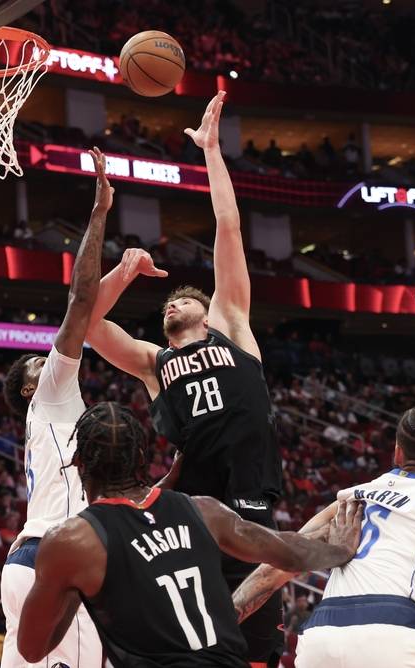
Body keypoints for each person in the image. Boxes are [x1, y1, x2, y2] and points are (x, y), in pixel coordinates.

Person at [85, 90, 285, 663]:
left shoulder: (232, 326)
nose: (171, 304)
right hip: (189, 518)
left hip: (249, 507)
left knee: (259, 652)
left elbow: (228, 225)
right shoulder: (154, 363)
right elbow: (88, 325)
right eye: (167, 304)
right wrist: (123, 272)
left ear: (205, 309)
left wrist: (211, 152)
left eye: (182, 300)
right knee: (194, 647)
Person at [16, 402, 361, 667]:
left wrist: (74, 586)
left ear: (78, 462)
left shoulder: (72, 541)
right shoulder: (204, 510)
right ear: (142, 456)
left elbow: (32, 649)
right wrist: (340, 550)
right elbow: (289, 551)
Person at [232, 407, 415, 668]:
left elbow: (280, 562)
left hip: (321, 637)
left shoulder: (350, 498)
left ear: (398, 452)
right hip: (395, 632)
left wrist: (222, 623)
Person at [0, 147, 114, 668]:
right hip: (56, 557)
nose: (45, 361)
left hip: (29, 560)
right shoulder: (50, 392)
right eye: (36, 364)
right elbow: (80, 303)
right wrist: (99, 213)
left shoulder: (56, 412)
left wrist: (126, 271)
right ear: (30, 387)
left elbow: (87, 318)